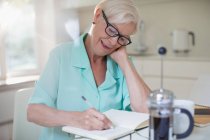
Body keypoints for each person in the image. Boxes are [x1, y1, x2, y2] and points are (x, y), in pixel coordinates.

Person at [27, 0, 150, 140]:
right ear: (97, 15)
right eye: (112, 30)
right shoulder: (61, 55)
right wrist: (77, 119)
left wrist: (125, 62)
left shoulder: (122, 63)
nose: (114, 42)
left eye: (122, 38)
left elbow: (147, 111)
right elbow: (33, 112)